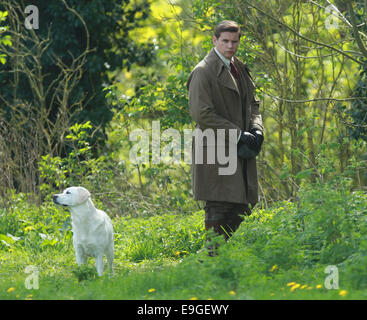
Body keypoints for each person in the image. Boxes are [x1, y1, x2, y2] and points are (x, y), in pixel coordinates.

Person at [187, 20, 264, 248]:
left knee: (242, 204)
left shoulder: (239, 67)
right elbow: (201, 114)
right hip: (214, 149)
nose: (230, 46)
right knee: (219, 205)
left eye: (234, 41)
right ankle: (211, 260)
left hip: (240, 148)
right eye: (225, 41)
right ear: (215, 40)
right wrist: (238, 134)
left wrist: (257, 128)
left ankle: (214, 258)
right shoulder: (202, 72)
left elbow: (253, 103)